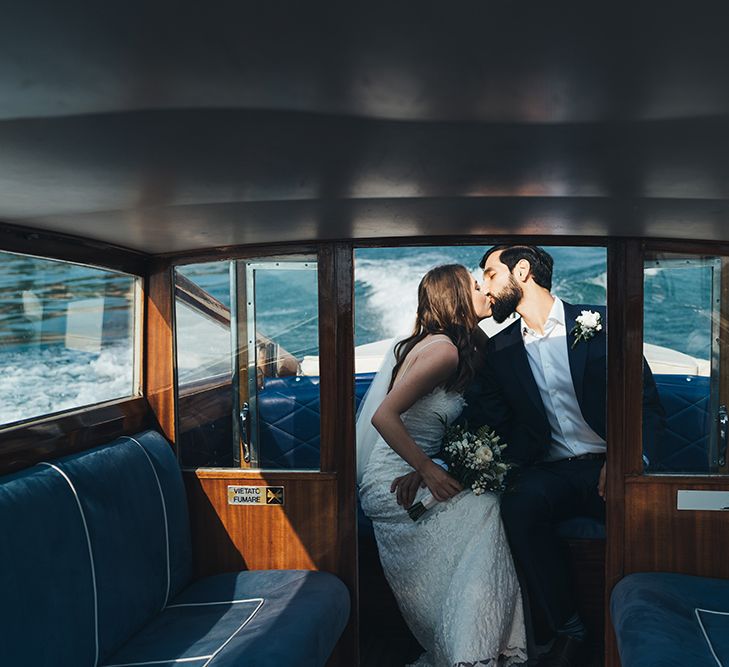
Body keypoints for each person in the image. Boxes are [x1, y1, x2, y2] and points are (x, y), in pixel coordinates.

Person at [394, 245, 665, 667]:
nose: (482, 284)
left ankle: (646, 619)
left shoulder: (602, 323)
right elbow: (487, 422)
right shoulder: (498, 350)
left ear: (521, 272)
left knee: (643, 509)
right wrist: (433, 465)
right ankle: (567, 626)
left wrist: (629, 459)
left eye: (489, 273)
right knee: (518, 506)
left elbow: (645, 405)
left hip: (612, 463)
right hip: (548, 470)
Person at [357, 264, 527, 667]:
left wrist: (428, 463)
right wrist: (429, 470)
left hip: (411, 469)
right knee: (485, 506)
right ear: (455, 297)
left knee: (485, 502)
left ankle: (469, 639)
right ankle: (475, 651)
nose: (484, 289)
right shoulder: (443, 350)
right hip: (390, 482)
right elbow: (384, 416)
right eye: (474, 285)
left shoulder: (453, 345)